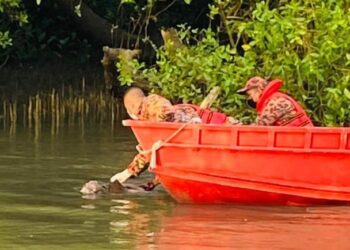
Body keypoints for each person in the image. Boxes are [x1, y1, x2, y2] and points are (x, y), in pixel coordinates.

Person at [111, 87, 235, 190]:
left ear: (131, 107)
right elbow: (156, 152)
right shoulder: (151, 108)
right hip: (188, 140)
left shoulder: (150, 102)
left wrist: (128, 172)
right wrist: (148, 181)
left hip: (191, 136)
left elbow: (166, 112)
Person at [237, 77, 313, 127]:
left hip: (298, 139)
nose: (251, 98)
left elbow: (259, 126)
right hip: (295, 138)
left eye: (250, 94)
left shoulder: (275, 102)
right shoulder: (275, 98)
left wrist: (237, 125)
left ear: (259, 90)